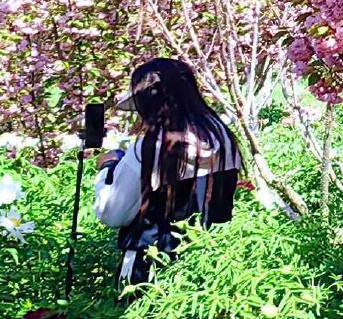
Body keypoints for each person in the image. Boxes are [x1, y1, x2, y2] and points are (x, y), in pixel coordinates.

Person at [93, 56, 242, 289]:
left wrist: (106, 170)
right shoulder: (222, 137)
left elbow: (112, 213)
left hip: (151, 265)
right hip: (213, 263)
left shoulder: (151, 147)